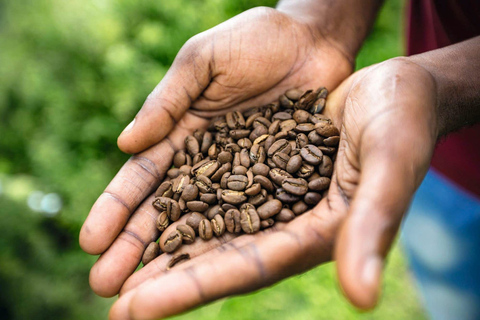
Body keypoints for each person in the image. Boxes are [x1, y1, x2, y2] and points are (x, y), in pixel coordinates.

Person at [78, 0, 480, 319]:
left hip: (424, 131)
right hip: (443, 166)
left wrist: (449, 84)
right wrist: (318, 21)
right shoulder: (239, 161)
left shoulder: (274, 165)